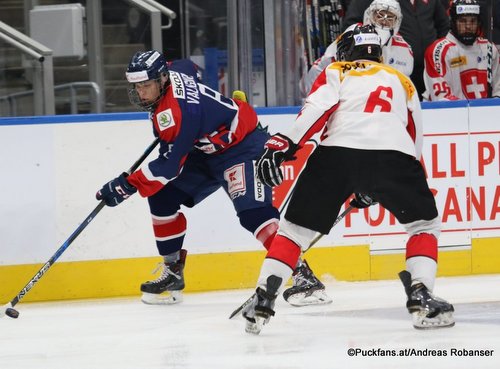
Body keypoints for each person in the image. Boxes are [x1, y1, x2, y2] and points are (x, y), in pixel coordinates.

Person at [238, 24, 455, 335]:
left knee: (293, 232)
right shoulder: (402, 80)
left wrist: (281, 144)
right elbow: (414, 138)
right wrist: (386, 184)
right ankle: (422, 296)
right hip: (395, 156)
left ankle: (262, 298)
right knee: (423, 225)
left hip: (336, 155)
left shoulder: (338, 71)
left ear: (344, 52)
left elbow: (317, 109)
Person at [95, 50, 330, 306]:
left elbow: (168, 168)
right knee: (161, 196)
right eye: (137, 86)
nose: (141, 93)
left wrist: (125, 186)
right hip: (205, 150)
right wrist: (216, 110)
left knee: (255, 216)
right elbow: (189, 68)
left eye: (146, 85)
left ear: (162, 79)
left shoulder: (175, 114)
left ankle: (305, 278)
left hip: (242, 148)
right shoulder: (173, 73)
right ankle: (173, 271)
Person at [301, 0, 413, 96]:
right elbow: (321, 67)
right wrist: (311, 96)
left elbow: (405, 91)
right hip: (348, 99)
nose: (384, 21)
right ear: (369, 16)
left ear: (397, 22)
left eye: (390, 18)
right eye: (379, 15)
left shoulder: (404, 50)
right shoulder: (352, 35)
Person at [342, 0, 449, 100]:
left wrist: (437, 52)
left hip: (422, 67)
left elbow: (443, 24)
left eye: (389, 17)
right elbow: (352, 22)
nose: (384, 20)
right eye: (381, 16)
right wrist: (362, 41)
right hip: (376, 60)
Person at [423, 0, 500, 101]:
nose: (468, 26)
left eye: (473, 21)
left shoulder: (489, 48)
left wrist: (491, 108)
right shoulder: (438, 51)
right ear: (453, 22)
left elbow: (498, 89)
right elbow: (441, 98)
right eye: (463, 21)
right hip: (451, 114)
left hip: (484, 114)